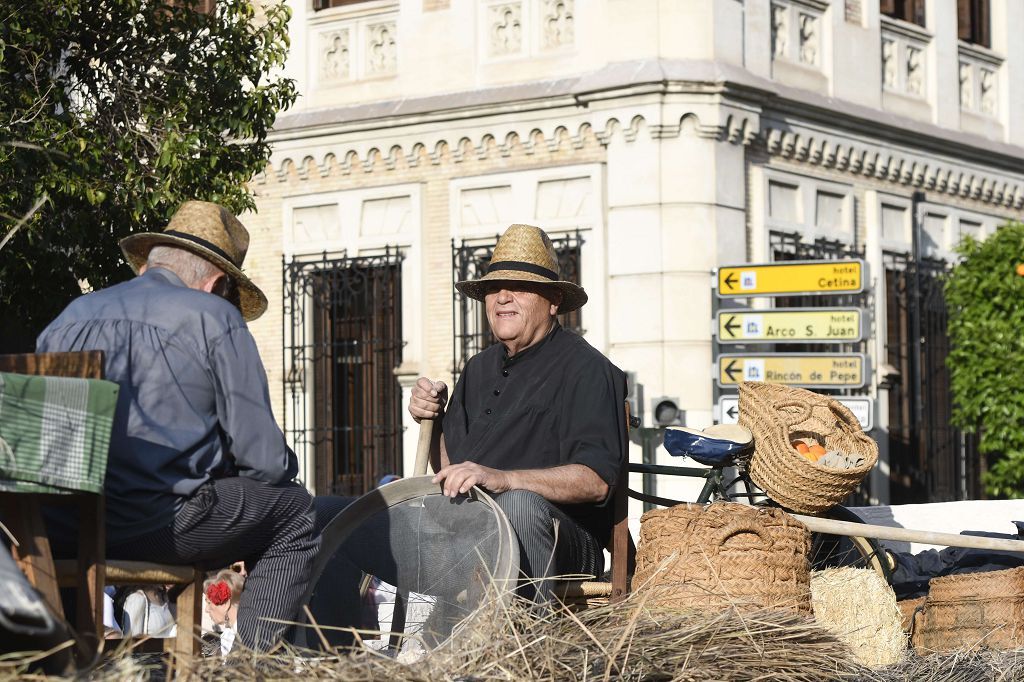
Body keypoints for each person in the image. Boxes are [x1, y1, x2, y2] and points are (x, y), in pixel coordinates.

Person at [37, 201, 319, 651]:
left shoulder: (68, 317)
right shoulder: (213, 317)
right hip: (159, 525)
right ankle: (249, 671)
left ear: (150, 263)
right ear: (218, 283)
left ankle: (71, 655)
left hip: (60, 529)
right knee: (295, 512)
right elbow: (265, 463)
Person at [408, 223, 626, 601]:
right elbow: (450, 470)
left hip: (565, 542)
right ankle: (347, 650)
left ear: (554, 301)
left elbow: (596, 480)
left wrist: (505, 479)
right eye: (494, 288)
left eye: (520, 287)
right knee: (350, 517)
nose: (503, 297)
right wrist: (433, 419)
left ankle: (522, 650)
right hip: (472, 532)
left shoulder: (587, 369)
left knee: (518, 506)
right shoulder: (477, 368)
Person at [203, 568, 245, 656]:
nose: (206, 609)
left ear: (226, 603)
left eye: (209, 603)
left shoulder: (245, 633)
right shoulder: (228, 633)